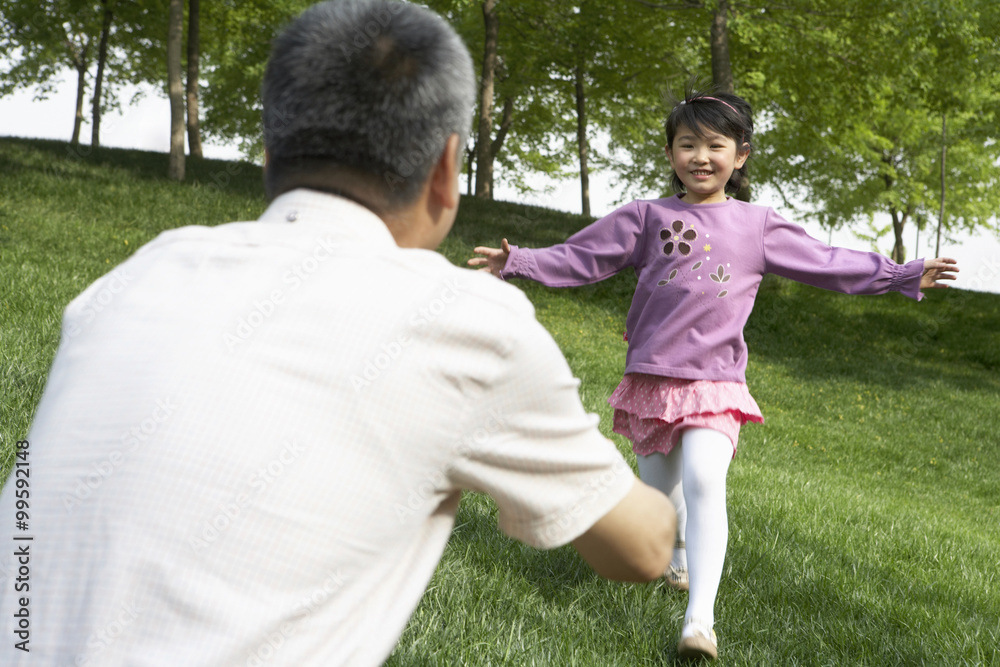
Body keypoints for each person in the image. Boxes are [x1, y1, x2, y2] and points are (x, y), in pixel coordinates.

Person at [0, 1, 678, 665]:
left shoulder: (143, 272)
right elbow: (642, 550)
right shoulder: (461, 320)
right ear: (446, 168)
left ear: (270, 154)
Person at [469, 89, 959, 660]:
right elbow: (586, 256)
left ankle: (699, 621)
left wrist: (899, 274)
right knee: (658, 492)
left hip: (716, 380)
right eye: (687, 144)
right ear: (672, 152)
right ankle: (676, 550)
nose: (700, 157)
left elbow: (826, 263)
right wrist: (521, 261)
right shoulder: (647, 216)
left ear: (741, 155)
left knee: (704, 479)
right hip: (653, 375)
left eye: (715, 145)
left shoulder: (757, 225)